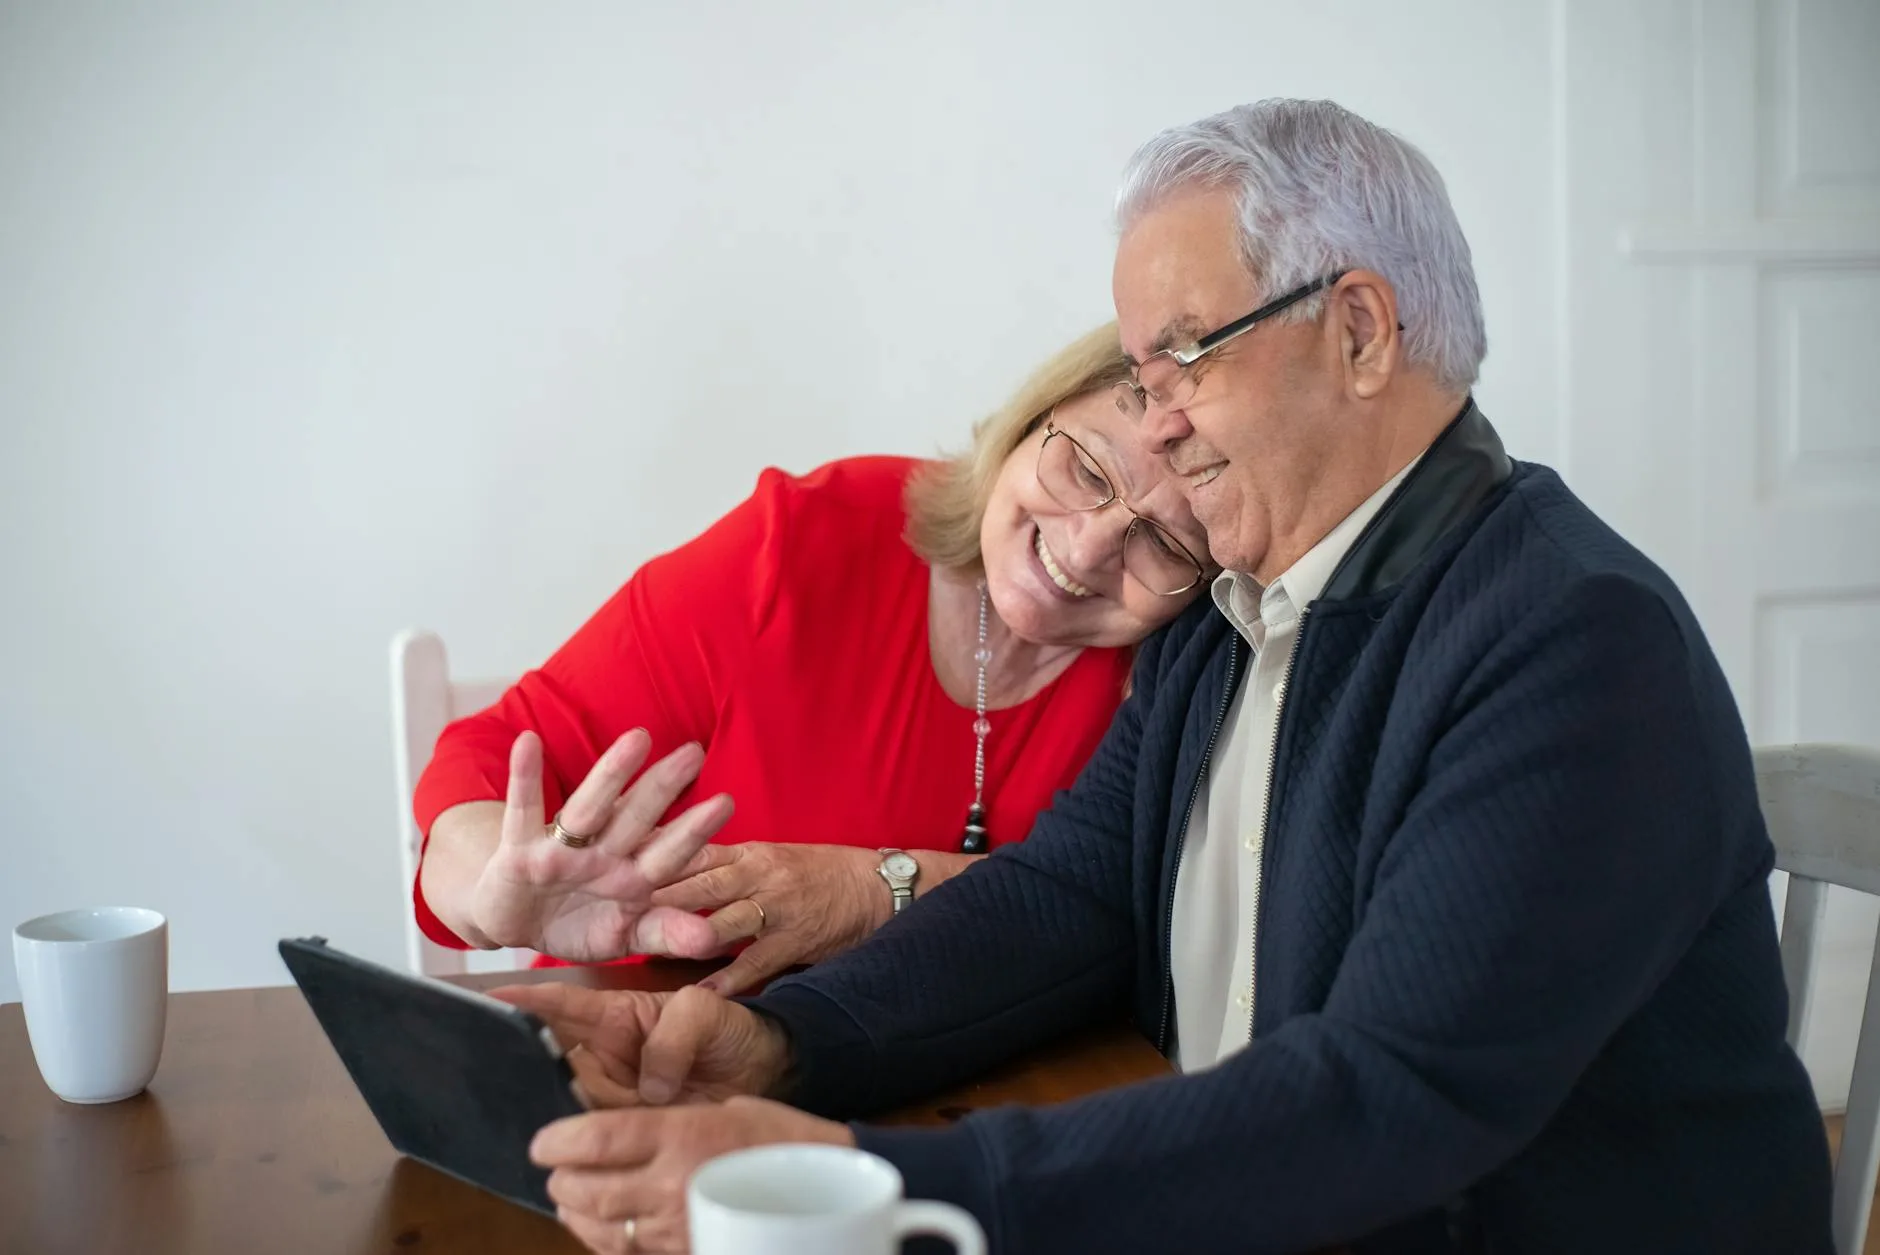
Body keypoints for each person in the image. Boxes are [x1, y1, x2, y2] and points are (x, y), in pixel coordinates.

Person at [492, 99, 1836, 1255]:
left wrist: (871, 1190)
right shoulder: (1230, 610)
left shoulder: (1576, 642)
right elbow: (1068, 893)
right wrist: (781, 1040)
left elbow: (1384, 1093)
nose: (1161, 413)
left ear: (1359, 332)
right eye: (1138, 371)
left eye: (1183, 353)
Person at [413, 323, 1213, 995]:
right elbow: (490, 757)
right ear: (1030, 419)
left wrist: (872, 892)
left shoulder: (1185, 673)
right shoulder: (807, 545)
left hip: (951, 1114)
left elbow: (1139, 926)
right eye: (1085, 469)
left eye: (1165, 541)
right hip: (643, 1053)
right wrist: (494, 899)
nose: (1088, 542)